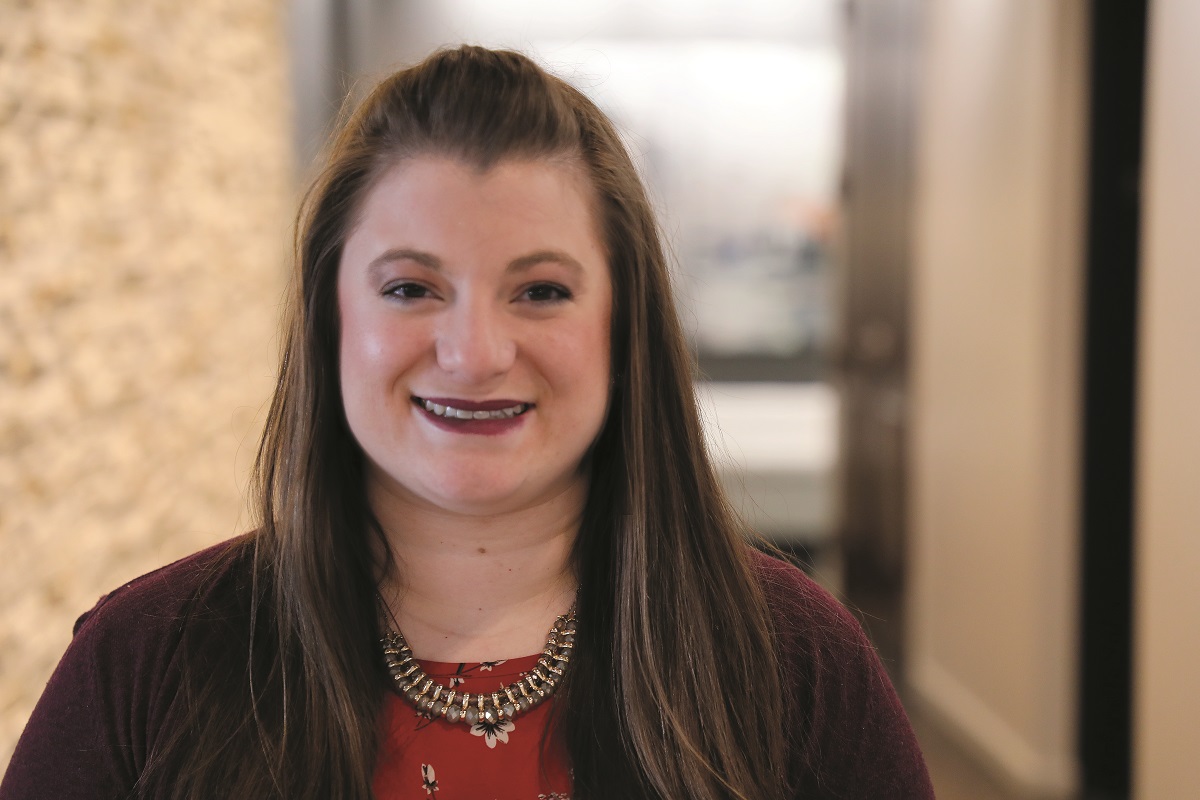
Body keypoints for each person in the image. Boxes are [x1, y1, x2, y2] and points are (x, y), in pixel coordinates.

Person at [0, 46, 933, 799]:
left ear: (623, 328)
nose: (475, 351)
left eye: (540, 290)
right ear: (330, 322)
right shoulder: (145, 659)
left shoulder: (793, 660)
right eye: (411, 287)